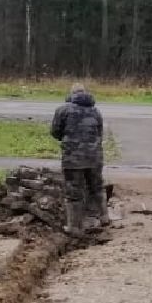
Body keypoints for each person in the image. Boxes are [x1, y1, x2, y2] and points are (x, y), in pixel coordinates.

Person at [50, 83, 106, 236]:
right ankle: (103, 217)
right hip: (95, 157)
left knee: (73, 192)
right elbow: (100, 134)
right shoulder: (96, 111)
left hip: (73, 158)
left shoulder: (63, 110)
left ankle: (74, 226)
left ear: (71, 94)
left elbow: (55, 132)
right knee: (97, 187)